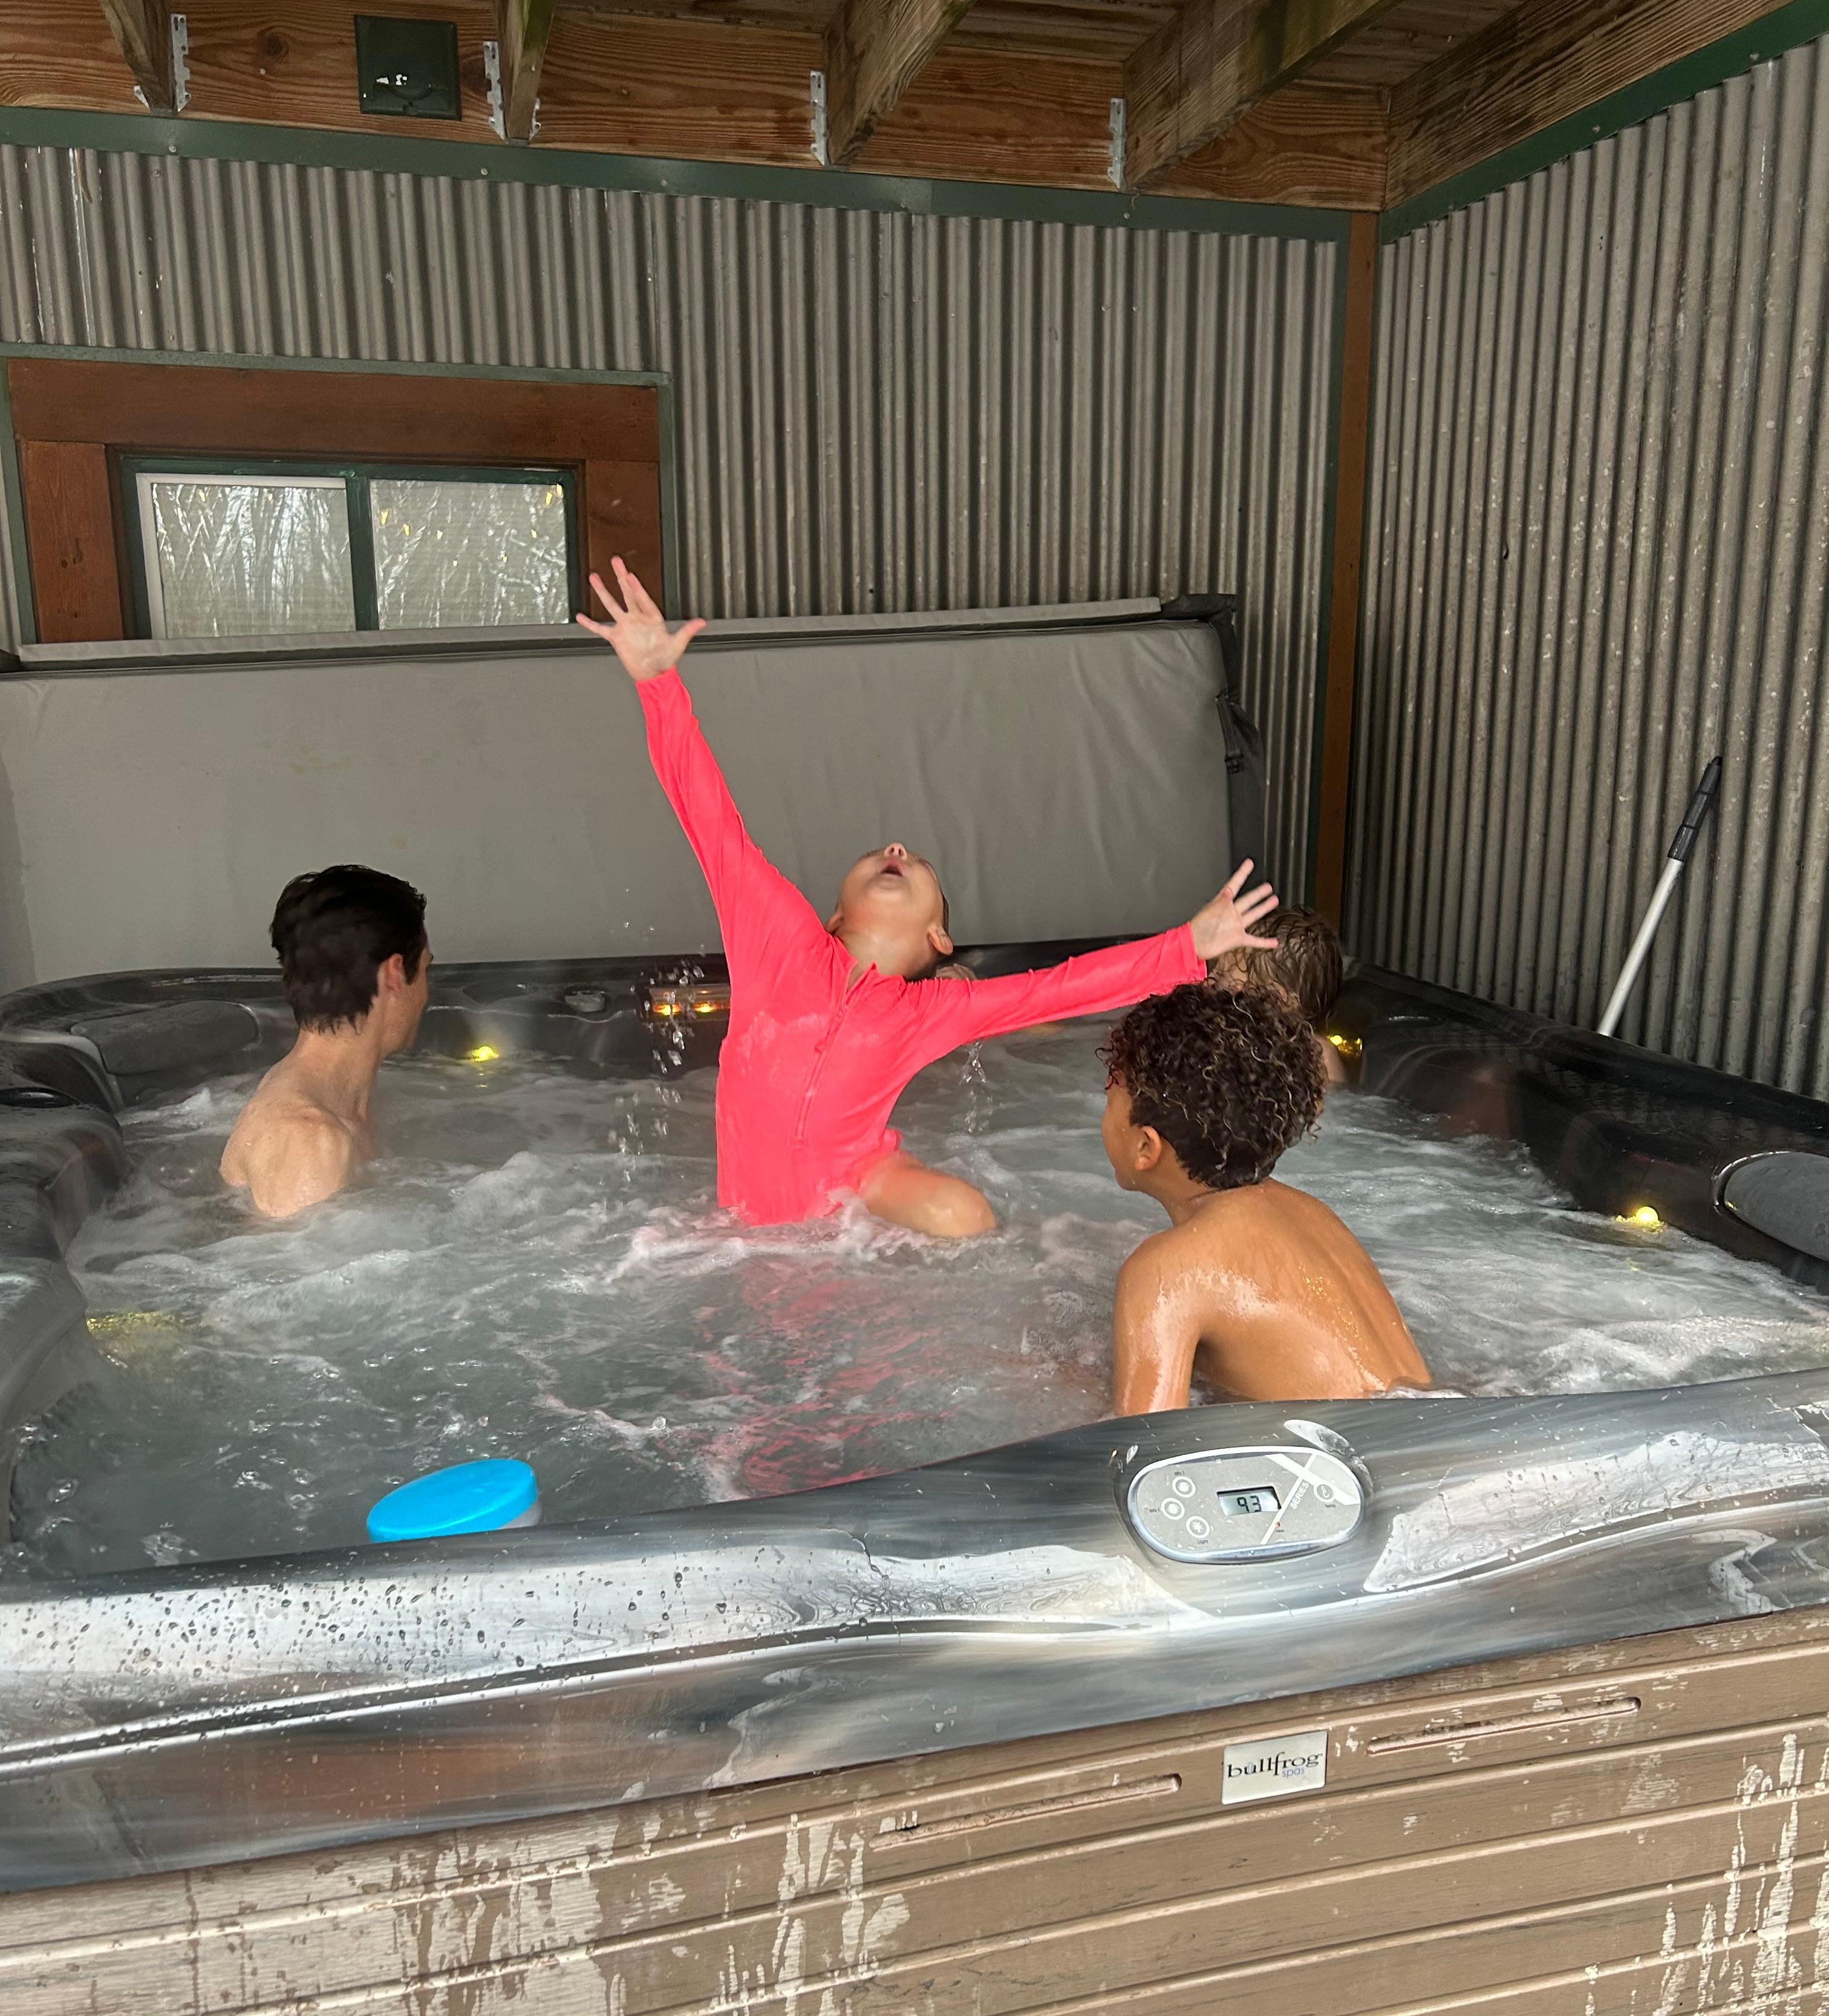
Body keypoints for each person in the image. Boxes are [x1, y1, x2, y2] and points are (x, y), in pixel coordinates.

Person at [577, 561, 1282, 1237]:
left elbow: (1057, 991)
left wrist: (1189, 947)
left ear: (940, 940)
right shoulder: (778, 936)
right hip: (754, 1217)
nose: (896, 851)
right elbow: (710, 819)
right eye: (884, 853)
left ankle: (894, 1190)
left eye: (918, 863)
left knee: (964, 1215)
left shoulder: (929, 1012)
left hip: (856, 1184)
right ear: (833, 915)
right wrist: (659, 683)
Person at [1101, 978, 1428, 1408]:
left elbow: (1144, 1452)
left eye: (1108, 1103)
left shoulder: (1165, 1271)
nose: (1103, 1119)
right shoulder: (1313, 1213)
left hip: (1354, 1468)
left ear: (1146, 1147)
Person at [221, 865, 431, 1218]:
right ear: (395, 973)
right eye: (426, 970)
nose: (426, 994)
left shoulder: (328, 1104)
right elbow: (291, 1272)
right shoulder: (309, 1144)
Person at [1224, 903, 1349, 1085]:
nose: (1208, 982)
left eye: (1225, 983)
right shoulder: (1235, 1042)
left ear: (1279, 999)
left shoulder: (1319, 1057)